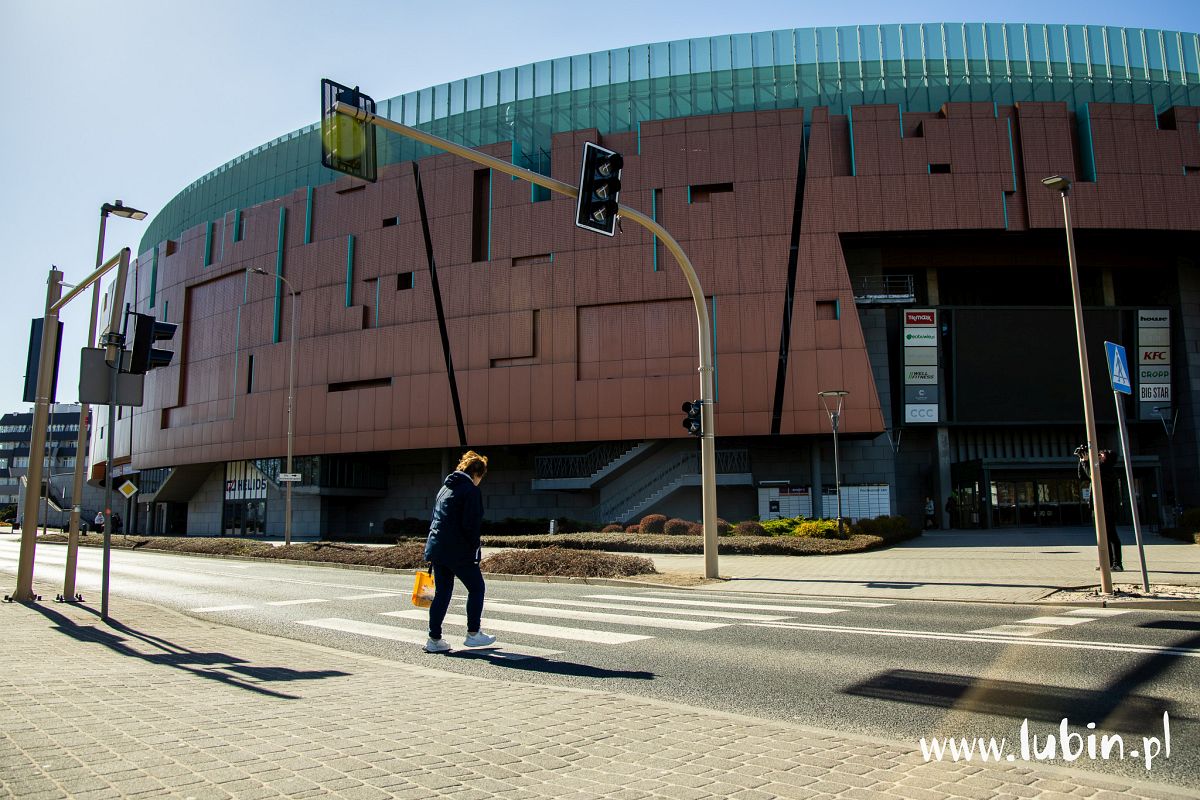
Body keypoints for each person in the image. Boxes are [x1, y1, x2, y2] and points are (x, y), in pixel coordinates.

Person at [423, 451, 495, 653]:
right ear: (477, 473)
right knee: (477, 588)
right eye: (482, 476)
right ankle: (473, 634)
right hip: (459, 550)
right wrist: (474, 553)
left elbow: (436, 519)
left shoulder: (445, 488)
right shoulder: (470, 491)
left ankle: (434, 639)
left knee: (442, 593)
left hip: (438, 549)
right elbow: (471, 525)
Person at [1097, 450, 1124, 571]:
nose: (1099, 456)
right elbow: (1083, 475)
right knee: (1104, 536)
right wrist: (1082, 461)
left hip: (1108, 508)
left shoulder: (1108, 471)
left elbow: (1092, 474)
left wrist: (1088, 463)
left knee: (1111, 535)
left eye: (1102, 455)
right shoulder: (1101, 469)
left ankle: (1117, 563)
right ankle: (1107, 563)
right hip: (1100, 507)